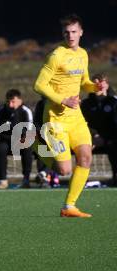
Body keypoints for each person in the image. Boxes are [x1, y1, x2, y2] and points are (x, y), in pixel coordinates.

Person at [34, 14, 108, 217]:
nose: (70, 35)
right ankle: (35, 145)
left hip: (75, 118)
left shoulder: (83, 54)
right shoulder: (56, 55)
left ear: (81, 32)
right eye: (67, 32)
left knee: (86, 157)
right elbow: (38, 85)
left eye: (74, 31)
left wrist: (96, 86)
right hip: (55, 119)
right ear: (62, 34)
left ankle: (69, 207)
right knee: (64, 170)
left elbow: (84, 82)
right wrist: (62, 100)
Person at [81, 73, 117, 186]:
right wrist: (94, 135)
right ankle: (80, 179)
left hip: (110, 138)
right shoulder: (86, 104)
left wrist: (105, 138)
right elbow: (82, 123)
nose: (98, 85)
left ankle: (115, 178)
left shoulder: (114, 102)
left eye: (101, 82)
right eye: (94, 83)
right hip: (91, 138)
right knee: (81, 148)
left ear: (106, 84)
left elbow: (114, 124)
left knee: (115, 146)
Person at [0, 89, 33, 189]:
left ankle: (26, 179)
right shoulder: (2, 111)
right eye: (9, 102)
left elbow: (28, 130)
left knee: (27, 147)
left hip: (21, 140)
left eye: (13, 102)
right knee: (1, 148)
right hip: (6, 140)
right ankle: (2, 180)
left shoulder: (26, 111)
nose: (11, 105)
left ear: (20, 100)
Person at [34, 96, 60, 188]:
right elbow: (36, 121)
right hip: (44, 134)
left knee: (57, 154)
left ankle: (44, 173)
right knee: (41, 149)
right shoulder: (41, 104)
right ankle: (44, 178)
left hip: (59, 135)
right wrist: (41, 131)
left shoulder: (59, 102)